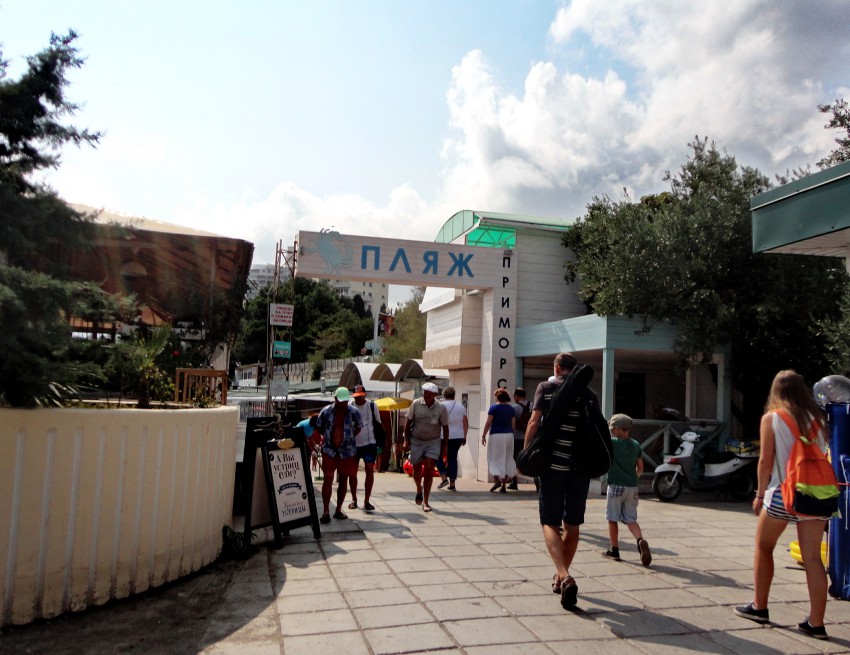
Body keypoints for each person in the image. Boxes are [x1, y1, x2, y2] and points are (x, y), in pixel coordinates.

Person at [734, 370, 832, 640]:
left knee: (764, 547)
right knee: (813, 558)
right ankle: (816, 623)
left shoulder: (772, 418)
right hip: (815, 492)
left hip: (782, 493)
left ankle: (760, 607)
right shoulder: (819, 419)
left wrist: (759, 494)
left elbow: (765, 461)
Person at [523, 352, 598, 609]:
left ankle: (564, 575)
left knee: (550, 522)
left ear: (556, 368)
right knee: (573, 524)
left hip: (552, 466)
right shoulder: (589, 394)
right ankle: (560, 577)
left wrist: (526, 454)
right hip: (580, 469)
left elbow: (534, 422)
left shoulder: (546, 388)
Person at [602, 414, 651, 567]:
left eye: (612, 429)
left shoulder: (612, 443)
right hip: (632, 486)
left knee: (612, 518)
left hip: (615, 485)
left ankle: (614, 550)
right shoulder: (635, 444)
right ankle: (640, 540)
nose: (611, 431)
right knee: (630, 519)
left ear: (618, 429)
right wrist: (634, 478)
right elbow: (640, 468)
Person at [314, 387, 363, 524]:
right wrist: (329, 438)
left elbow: (358, 427)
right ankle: (325, 512)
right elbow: (319, 427)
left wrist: (348, 438)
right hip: (329, 451)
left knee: (343, 480)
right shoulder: (326, 411)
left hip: (347, 452)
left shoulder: (354, 412)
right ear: (335, 399)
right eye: (341, 401)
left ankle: (338, 510)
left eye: (345, 401)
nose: (343, 404)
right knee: (328, 480)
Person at [403, 382, 449, 512]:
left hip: (433, 441)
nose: (426, 395)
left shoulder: (441, 408)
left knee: (429, 468)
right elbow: (408, 422)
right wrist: (406, 441)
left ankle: (426, 501)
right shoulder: (416, 403)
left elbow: (445, 428)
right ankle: (419, 488)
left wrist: (444, 446)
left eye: (429, 394)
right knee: (416, 470)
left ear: (435, 395)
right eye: (425, 393)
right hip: (417, 440)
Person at [348, 384, 380, 512]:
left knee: (369, 469)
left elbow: (378, 423)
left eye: (360, 396)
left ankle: (367, 500)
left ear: (365, 395)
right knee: (352, 472)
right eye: (356, 396)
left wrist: (381, 443)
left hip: (370, 443)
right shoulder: (350, 406)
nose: (358, 399)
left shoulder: (372, 406)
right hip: (353, 444)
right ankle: (354, 499)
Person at [481, 388, 517, 493]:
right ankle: (504, 485)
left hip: (496, 435)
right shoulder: (511, 409)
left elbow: (488, 423)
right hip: (509, 435)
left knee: (494, 457)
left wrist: (483, 435)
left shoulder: (493, 408)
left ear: (497, 397)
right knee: (507, 458)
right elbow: (513, 425)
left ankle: (497, 481)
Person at [436, 386, 468, 491]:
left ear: (444, 395)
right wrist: (464, 436)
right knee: (453, 458)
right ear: (454, 395)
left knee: (437, 456)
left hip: (443, 436)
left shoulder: (440, 405)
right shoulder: (461, 406)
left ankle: (443, 476)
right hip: (458, 436)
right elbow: (465, 423)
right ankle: (452, 484)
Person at [509, 387, 531, 490]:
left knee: (514, 459)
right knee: (531, 459)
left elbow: (511, 423)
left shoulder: (514, 408)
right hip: (530, 437)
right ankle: (536, 481)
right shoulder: (532, 405)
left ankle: (514, 482)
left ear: (517, 396)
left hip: (517, 437)